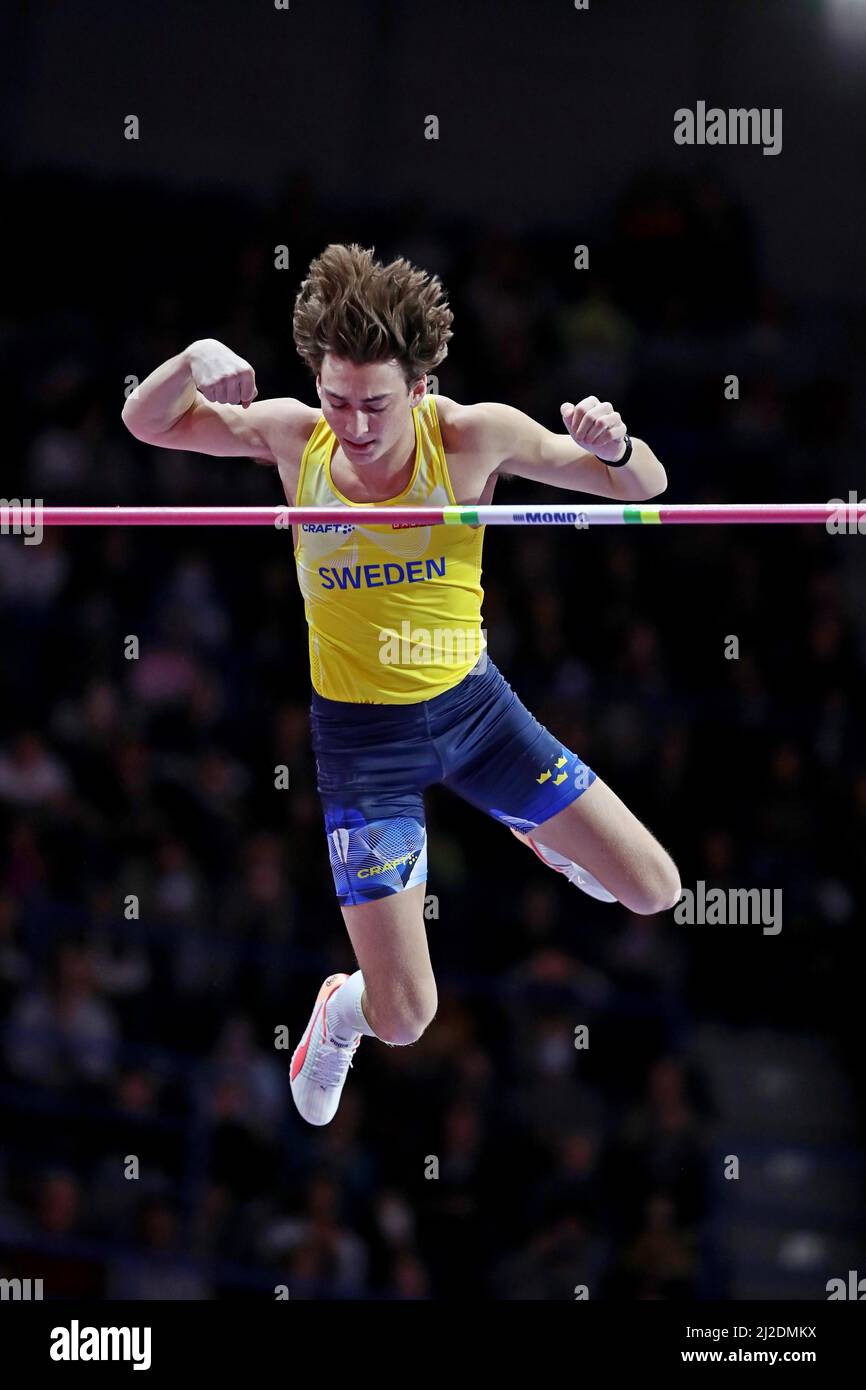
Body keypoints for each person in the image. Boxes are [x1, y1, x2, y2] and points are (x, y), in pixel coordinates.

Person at [121, 243, 681, 1128]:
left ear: (419, 387)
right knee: (408, 1016)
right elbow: (147, 423)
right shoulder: (292, 437)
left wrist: (616, 449)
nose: (353, 424)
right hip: (363, 745)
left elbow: (645, 488)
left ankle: (535, 829)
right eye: (336, 399)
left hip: (477, 714)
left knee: (655, 888)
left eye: (375, 404)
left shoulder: (470, 437)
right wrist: (191, 359)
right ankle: (339, 1011)